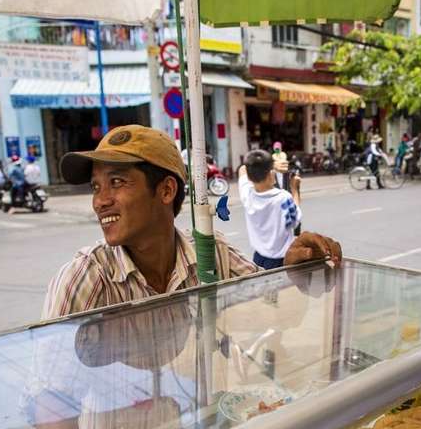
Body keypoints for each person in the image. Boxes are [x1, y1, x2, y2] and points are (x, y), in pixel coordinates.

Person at [41, 124, 341, 319]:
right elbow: (48, 398)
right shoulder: (86, 279)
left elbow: (271, 304)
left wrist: (296, 271)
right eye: (96, 187)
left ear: (166, 190)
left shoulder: (212, 255)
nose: (99, 201)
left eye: (116, 182)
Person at [235, 150, 303, 270]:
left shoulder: (247, 194)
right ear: (270, 175)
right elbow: (295, 222)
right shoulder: (283, 198)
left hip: (258, 258)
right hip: (281, 260)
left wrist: (271, 165)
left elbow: (242, 169)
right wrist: (295, 189)